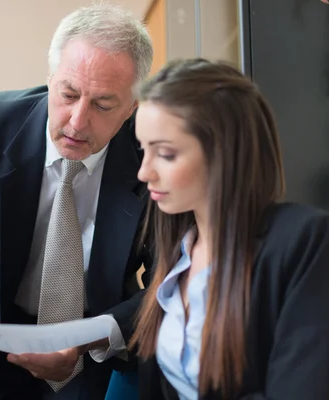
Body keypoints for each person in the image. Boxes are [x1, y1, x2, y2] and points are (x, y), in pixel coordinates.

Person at [0, 4, 153, 399]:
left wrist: (89, 338)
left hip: (97, 350)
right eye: (68, 93)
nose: (77, 121)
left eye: (103, 105)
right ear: (50, 78)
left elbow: (172, 278)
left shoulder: (153, 158)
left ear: (131, 108)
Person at [126, 58, 329, 399]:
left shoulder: (304, 242)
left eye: (166, 154)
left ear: (223, 152)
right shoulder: (177, 250)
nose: (144, 172)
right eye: (143, 150)